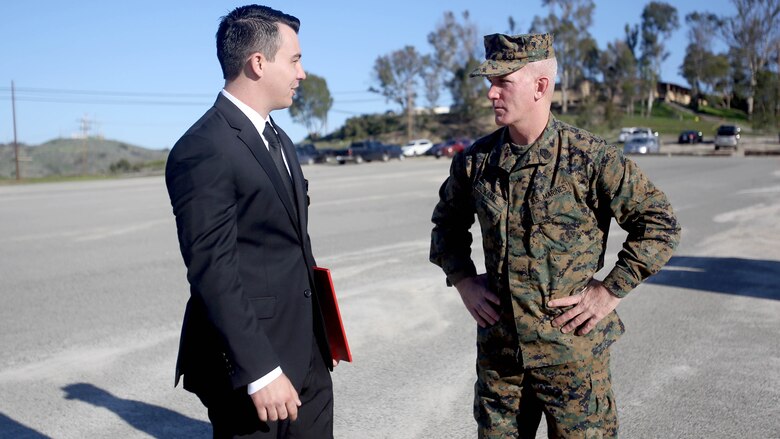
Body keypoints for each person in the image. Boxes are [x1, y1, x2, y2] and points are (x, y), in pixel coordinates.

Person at [430, 32, 681, 438]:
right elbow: (447, 223)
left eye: (503, 82)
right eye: (489, 83)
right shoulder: (476, 162)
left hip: (572, 356)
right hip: (502, 362)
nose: (491, 93)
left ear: (540, 86)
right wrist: (463, 281)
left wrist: (610, 291)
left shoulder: (590, 157)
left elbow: (660, 223)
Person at [165, 5, 334, 438]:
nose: (302, 73)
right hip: (252, 371)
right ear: (258, 63)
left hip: (307, 353)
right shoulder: (204, 148)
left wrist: (320, 336)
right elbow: (212, 270)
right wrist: (259, 370)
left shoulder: (280, 139)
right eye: (294, 60)